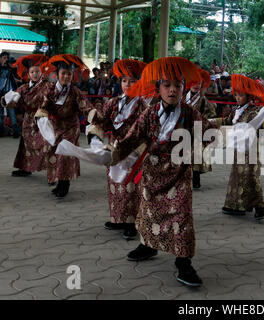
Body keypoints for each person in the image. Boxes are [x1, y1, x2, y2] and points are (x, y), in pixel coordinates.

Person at [106, 57, 216, 287]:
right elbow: (132, 138)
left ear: (184, 87)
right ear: (158, 88)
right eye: (167, 85)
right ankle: (148, 245)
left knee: (181, 216)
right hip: (152, 171)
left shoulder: (189, 113)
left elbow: (209, 132)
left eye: (178, 85)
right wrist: (111, 155)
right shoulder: (149, 113)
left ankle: (183, 262)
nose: (173, 90)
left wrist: (236, 135)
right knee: (149, 212)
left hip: (179, 173)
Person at [88, 59, 147, 240]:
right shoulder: (113, 103)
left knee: (131, 187)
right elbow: (98, 121)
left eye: (132, 80)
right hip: (114, 150)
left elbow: (148, 131)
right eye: (124, 81)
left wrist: (137, 151)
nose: (127, 85)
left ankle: (132, 223)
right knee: (115, 185)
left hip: (134, 151)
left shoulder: (144, 105)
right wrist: (94, 138)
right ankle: (118, 218)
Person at [214, 74, 264, 220]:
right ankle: (236, 205)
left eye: (240, 95)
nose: (237, 98)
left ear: (248, 96)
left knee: (251, 176)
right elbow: (227, 121)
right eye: (236, 95)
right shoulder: (237, 111)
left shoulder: (255, 110)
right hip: (238, 149)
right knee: (237, 175)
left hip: (251, 149)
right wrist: (211, 121)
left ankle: (259, 205)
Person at [35, 54, 95, 198]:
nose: (66, 77)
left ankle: (64, 184)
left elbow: (85, 107)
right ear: (57, 74)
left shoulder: (75, 92)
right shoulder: (49, 90)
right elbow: (43, 106)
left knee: (65, 155)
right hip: (54, 127)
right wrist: (42, 117)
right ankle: (57, 181)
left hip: (70, 127)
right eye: (63, 73)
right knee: (53, 153)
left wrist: (93, 116)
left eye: (69, 74)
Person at [1, 54, 50, 177]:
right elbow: (13, 98)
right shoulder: (23, 88)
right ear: (28, 74)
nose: (35, 74)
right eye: (32, 72)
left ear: (41, 73)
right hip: (28, 120)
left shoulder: (48, 86)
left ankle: (52, 172)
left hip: (42, 119)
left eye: (37, 72)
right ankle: (25, 168)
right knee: (25, 144)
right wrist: (8, 101)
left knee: (46, 144)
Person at [185, 68, 217, 189]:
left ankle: (196, 181)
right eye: (194, 82)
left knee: (195, 156)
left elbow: (211, 115)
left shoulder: (203, 100)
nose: (196, 85)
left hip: (197, 131)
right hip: (183, 129)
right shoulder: (183, 97)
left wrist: (202, 121)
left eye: (198, 83)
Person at [0, 51, 20, 138]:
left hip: (9, 93)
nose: (6, 60)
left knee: (11, 112)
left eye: (7, 58)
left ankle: (15, 131)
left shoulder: (10, 69)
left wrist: (10, 66)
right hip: (0, 93)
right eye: (4, 58)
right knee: (0, 113)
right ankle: (1, 130)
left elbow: (15, 76)